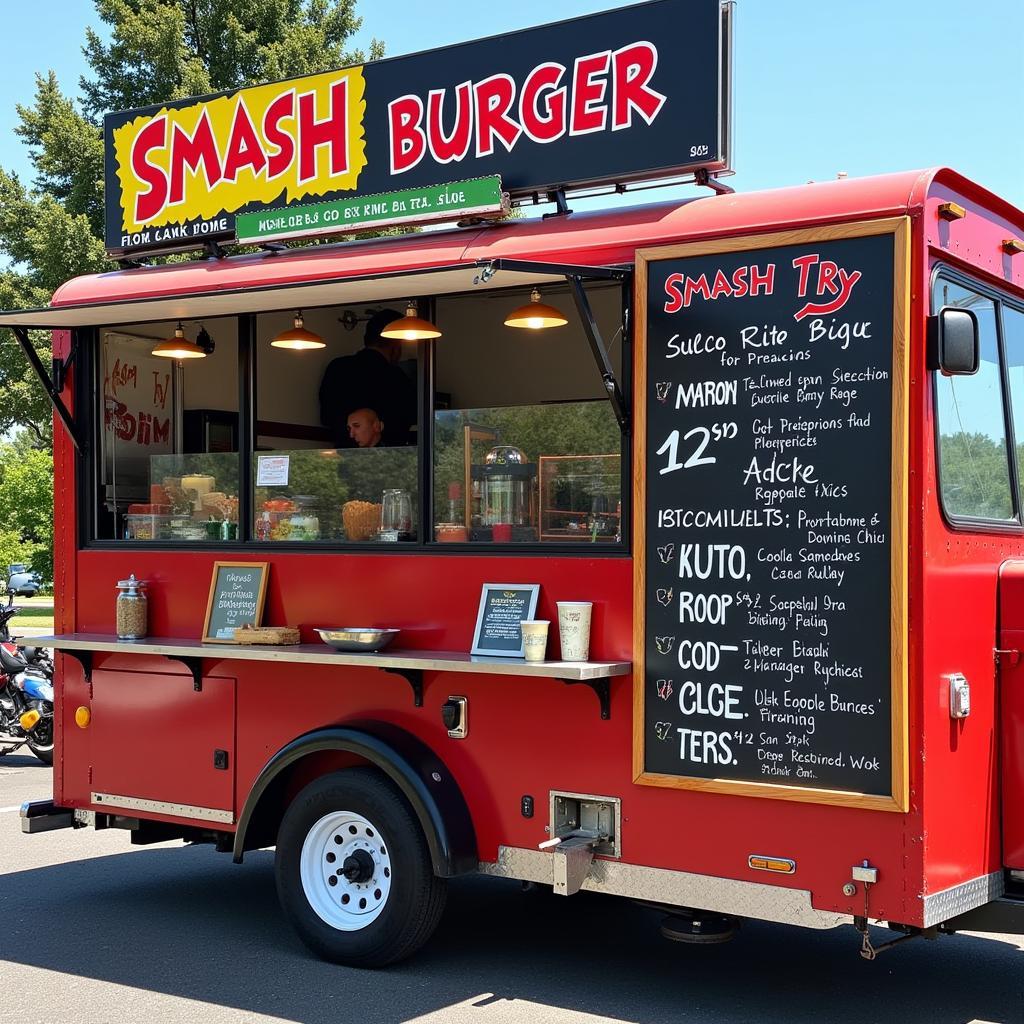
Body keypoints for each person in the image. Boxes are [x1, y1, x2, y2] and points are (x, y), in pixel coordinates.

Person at [319, 309, 417, 447]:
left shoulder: (338, 367)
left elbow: (327, 417)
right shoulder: (395, 377)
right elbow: (409, 419)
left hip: (342, 455)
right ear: (396, 345)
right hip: (386, 457)